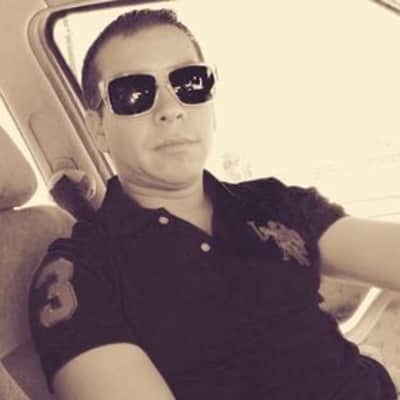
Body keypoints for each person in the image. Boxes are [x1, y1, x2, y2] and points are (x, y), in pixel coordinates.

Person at [28, 8, 399, 400]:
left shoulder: (276, 202)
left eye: (190, 83)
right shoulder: (83, 273)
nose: (171, 109)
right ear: (98, 129)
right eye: (134, 93)